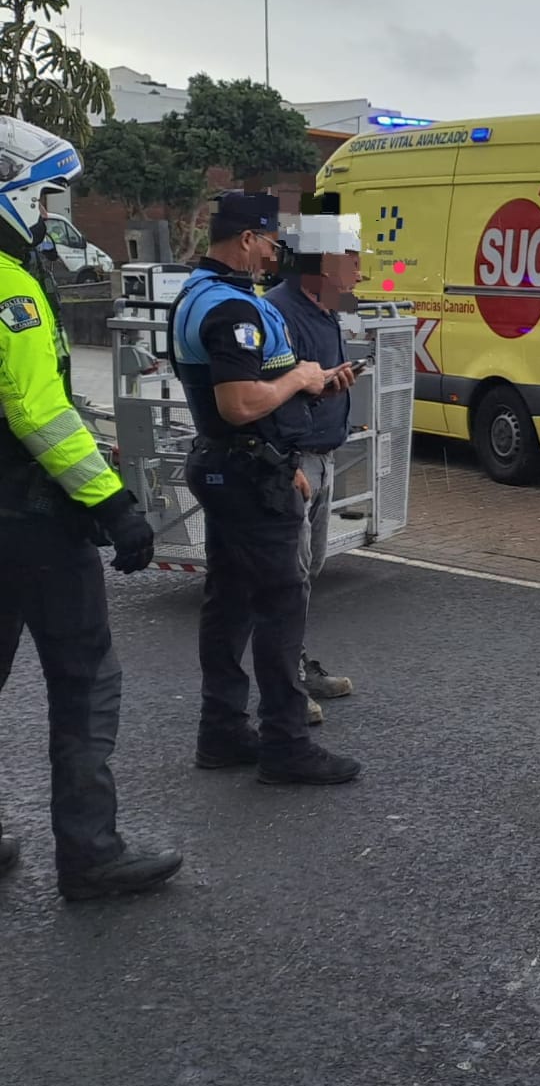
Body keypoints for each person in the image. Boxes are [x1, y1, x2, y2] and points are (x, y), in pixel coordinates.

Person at [0, 116, 182, 899]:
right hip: (33, 525)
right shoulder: (12, 289)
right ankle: (91, 854)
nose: (50, 214)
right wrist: (113, 505)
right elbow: (38, 414)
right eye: (44, 198)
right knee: (84, 683)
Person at [170, 192, 362, 785]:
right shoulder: (232, 309)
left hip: (239, 464)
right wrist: (302, 376)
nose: (274, 253)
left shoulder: (196, 294)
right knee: (281, 603)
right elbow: (239, 403)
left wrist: (310, 387)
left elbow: (255, 388)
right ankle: (286, 744)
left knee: (228, 601)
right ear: (248, 239)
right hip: (248, 469)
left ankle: (222, 731)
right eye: (270, 242)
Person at [265, 194, 361, 713]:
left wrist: (330, 385)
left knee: (307, 572)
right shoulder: (280, 311)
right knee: (286, 577)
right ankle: (282, 689)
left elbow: (311, 382)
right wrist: (287, 464)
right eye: (353, 258)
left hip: (320, 457)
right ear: (321, 263)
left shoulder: (326, 311)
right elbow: (267, 390)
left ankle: (294, 666)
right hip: (293, 460)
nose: (361, 273)